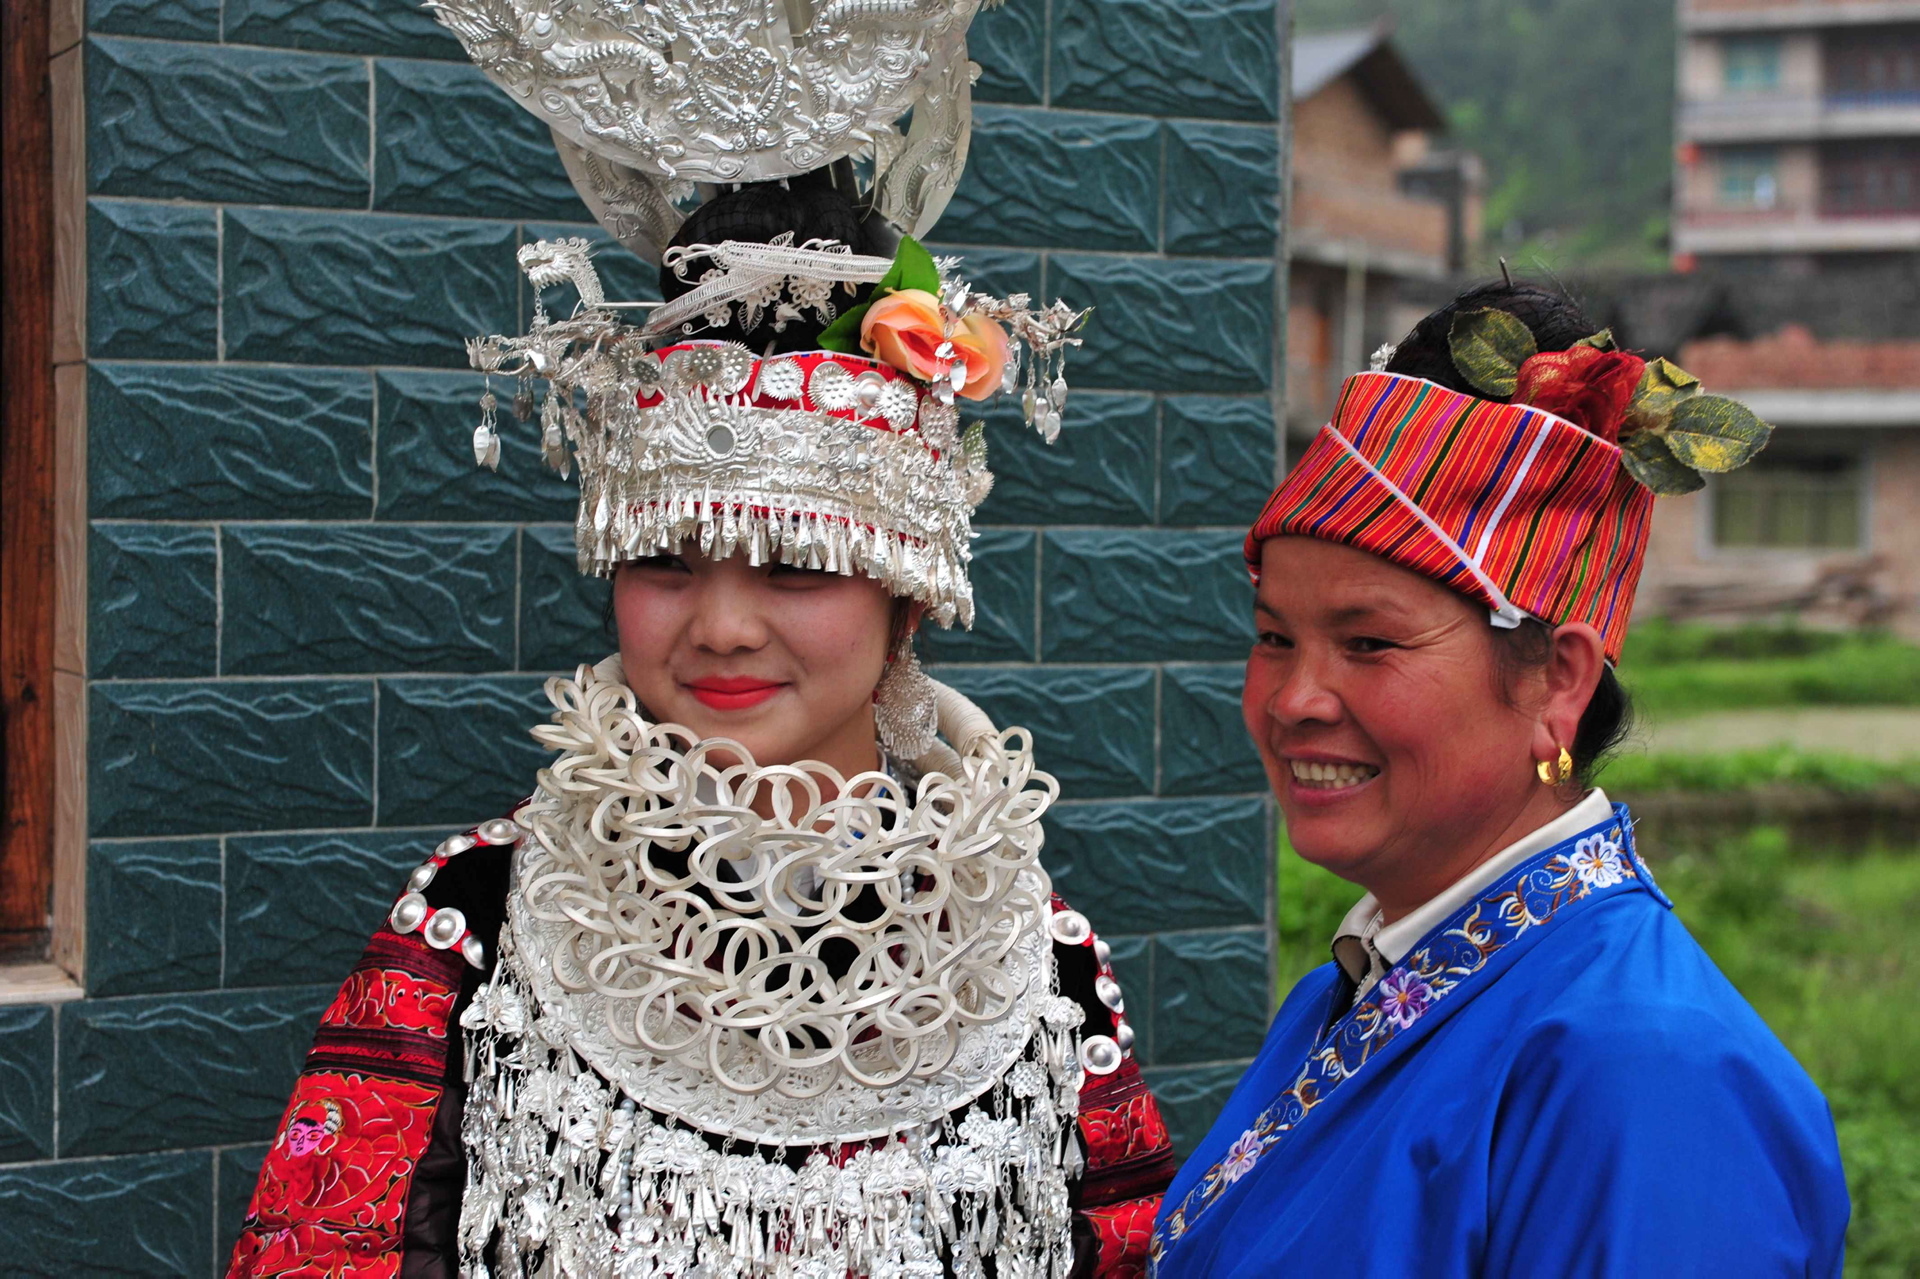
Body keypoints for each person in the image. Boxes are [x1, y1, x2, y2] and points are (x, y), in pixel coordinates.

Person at [225, 4, 1174, 1275]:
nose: (722, 625)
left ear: (908, 591)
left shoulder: (1028, 958)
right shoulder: (477, 925)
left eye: (794, 565)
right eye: (666, 563)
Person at [1150, 283, 1851, 1276]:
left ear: (1556, 679)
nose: (1294, 697)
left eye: (1368, 641)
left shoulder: (1644, 1068)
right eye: (1274, 637)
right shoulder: (1353, 988)